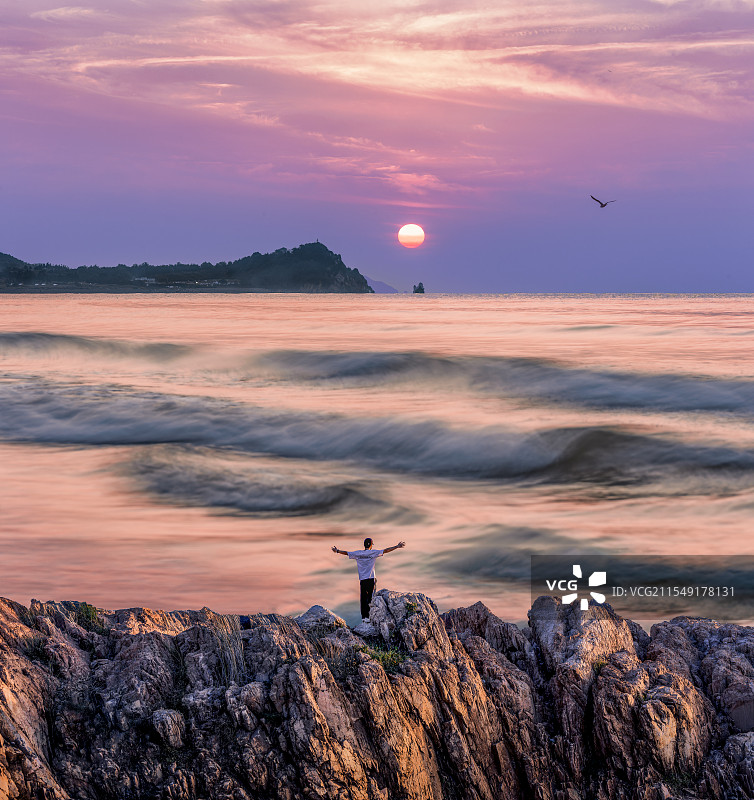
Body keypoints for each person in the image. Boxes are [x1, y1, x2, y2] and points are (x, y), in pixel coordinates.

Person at [332, 537, 406, 623]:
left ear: (364, 545)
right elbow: (386, 550)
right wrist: (397, 546)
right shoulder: (373, 552)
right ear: (371, 545)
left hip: (363, 579)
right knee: (371, 598)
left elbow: (346, 553)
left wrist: (337, 551)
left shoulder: (358, 553)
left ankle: (364, 617)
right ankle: (371, 617)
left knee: (363, 598)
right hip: (371, 579)